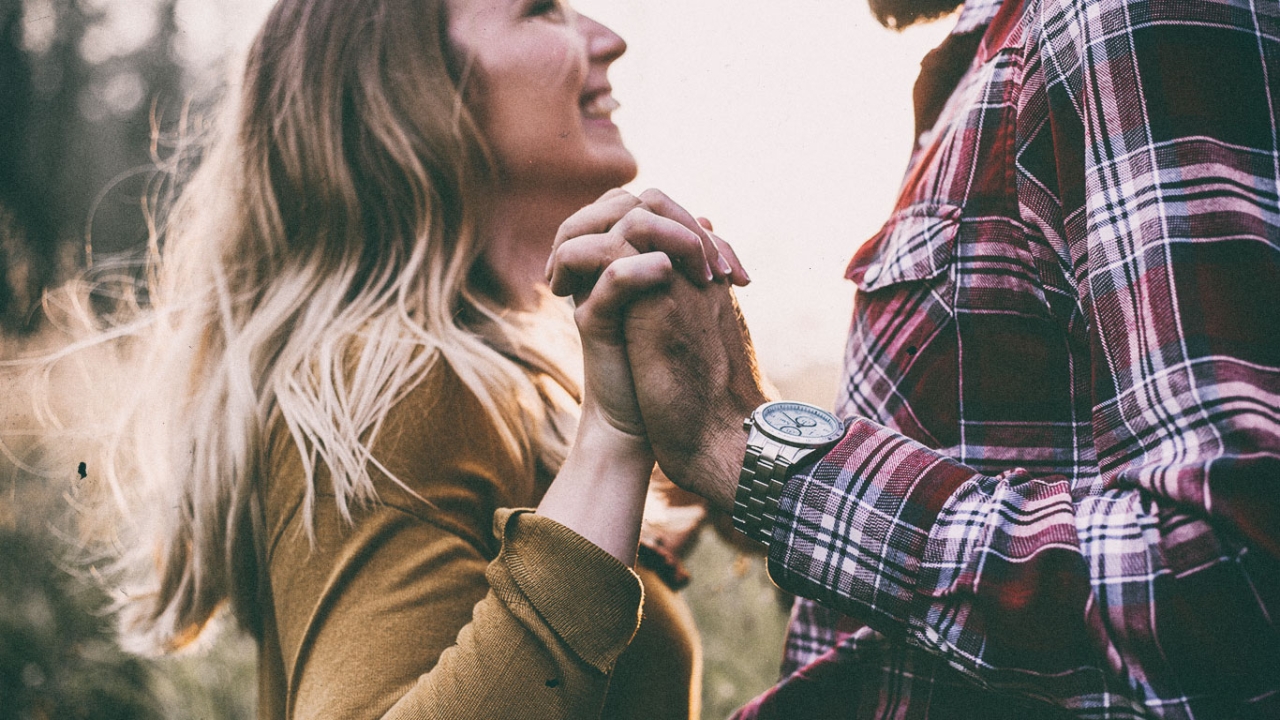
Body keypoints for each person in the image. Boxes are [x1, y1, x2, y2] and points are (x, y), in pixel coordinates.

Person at [548, 0, 1280, 714]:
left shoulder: (1115, 18)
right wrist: (745, 441)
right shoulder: (1000, 55)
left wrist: (743, 448)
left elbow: (1231, 583)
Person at [61, 0, 747, 717]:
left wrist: (722, 414)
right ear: (412, 85)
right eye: (541, 11)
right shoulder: (394, 383)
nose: (610, 38)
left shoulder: (501, 382)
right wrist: (612, 444)